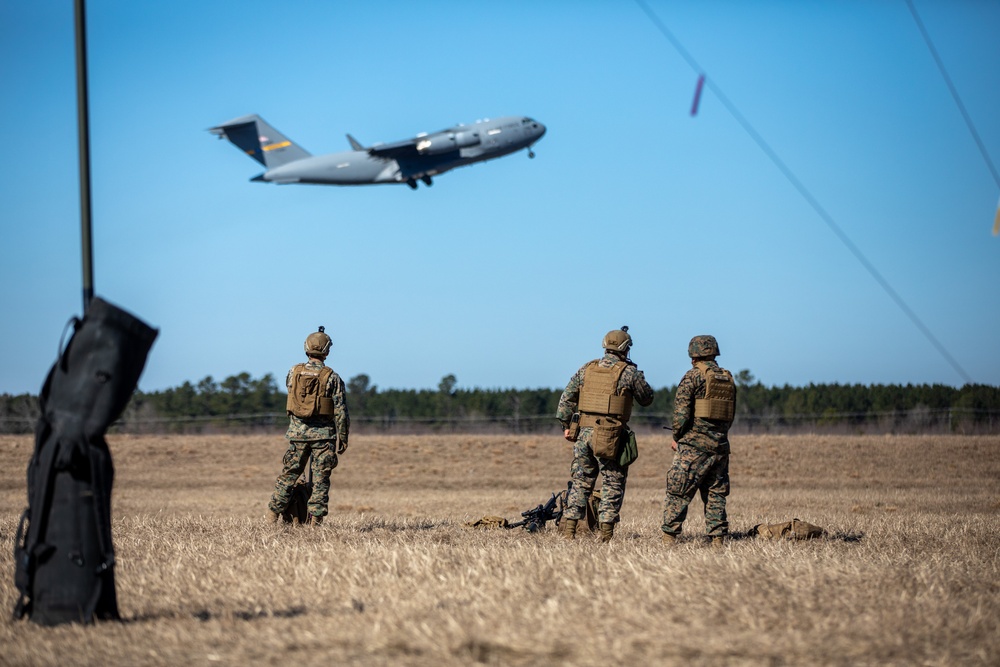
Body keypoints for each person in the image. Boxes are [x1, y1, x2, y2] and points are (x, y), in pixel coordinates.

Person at [556, 327, 654, 542]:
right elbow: (647, 399)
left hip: (583, 433)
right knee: (612, 482)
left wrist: (566, 425)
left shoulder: (587, 368)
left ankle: (570, 531)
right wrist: (639, 376)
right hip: (610, 435)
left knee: (581, 481)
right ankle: (606, 535)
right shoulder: (628, 372)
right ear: (625, 348)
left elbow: (566, 400)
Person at [268, 326, 350, 526]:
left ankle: (272, 515)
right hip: (323, 437)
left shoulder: (293, 372)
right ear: (327, 351)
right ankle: (316, 522)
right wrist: (343, 437)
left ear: (306, 348)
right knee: (321, 479)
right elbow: (341, 411)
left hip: (297, 435)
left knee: (289, 475)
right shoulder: (332, 377)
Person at [661, 335, 736, 547]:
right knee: (716, 494)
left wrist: (677, 437)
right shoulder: (727, 378)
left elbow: (681, 415)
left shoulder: (692, 377)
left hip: (693, 447)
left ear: (693, 355)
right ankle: (717, 540)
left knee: (678, 491)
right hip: (720, 447)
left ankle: (669, 538)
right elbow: (730, 415)